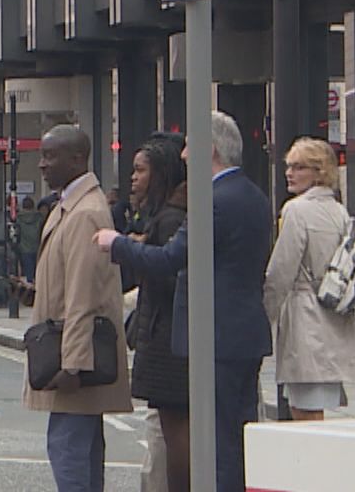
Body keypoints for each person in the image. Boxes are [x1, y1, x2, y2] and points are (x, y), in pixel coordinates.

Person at [96, 111, 272, 492]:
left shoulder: (212, 200)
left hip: (214, 337)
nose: (185, 155)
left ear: (210, 149)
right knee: (235, 437)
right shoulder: (254, 196)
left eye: (191, 146)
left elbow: (171, 258)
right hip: (244, 333)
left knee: (217, 443)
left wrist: (118, 244)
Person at [23, 124, 131, 492]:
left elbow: (84, 295)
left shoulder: (84, 212)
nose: (42, 165)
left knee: (68, 453)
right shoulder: (70, 206)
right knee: (79, 452)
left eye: (50, 156)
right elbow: (68, 280)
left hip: (74, 360)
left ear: (77, 159)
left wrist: (73, 364)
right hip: (70, 349)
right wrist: (37, 292)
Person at [263, 138, 355, 420]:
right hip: (336, 316)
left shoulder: (296, 210)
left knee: (304, 410)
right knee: (317, 408)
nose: (289, 173)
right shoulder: (340, 213)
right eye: (288, 166)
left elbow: (281, 271)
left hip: (305, 316)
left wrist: (264, 315)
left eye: (299, 167)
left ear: (319, 171)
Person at [125, 135, 189, 492]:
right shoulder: (168, 217)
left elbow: (167, 284)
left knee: (170, 438)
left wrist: (136, 252)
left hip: (167, 347)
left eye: (140, 170)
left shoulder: (168, 220)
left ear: (160, 173)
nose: (133, 178)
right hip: (168, 341)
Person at [16, 195, 45, 282]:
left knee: (28, 272)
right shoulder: (39, 218)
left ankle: (29, 288)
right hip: (37, 247)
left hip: (24, 248)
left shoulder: (18, 219)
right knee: (38, 272)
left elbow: (17, 234)